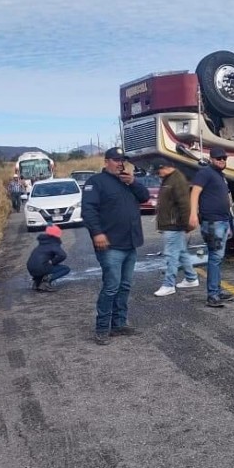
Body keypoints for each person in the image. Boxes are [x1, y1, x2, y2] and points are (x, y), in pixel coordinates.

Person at [82, 147, 151, 345]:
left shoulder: (128, 181)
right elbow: (88, 210)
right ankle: (102, 328)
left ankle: (119, 323)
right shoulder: (96, 182)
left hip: (130, 243)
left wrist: (134, 182)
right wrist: (97, 233)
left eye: (122, 160)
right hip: (110, 245)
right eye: (116, 160)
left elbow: (145, 197)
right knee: (111, 287)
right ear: (106, 162)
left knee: (125, 285)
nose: (120, 163)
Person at [190, 147, 234, 308]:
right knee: (215, 257)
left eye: (224, 158)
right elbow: (195, 192)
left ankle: (217, 290)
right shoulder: (205, 172)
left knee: (218, 257)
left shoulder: (220, 175)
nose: (222, 160)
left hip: (222, 220)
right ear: (211, 159)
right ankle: (212, 294)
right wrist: (193, 214)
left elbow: (225, 197)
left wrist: (229, 220)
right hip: (212, 221)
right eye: (218, 158)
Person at [152, 159, 200, 297]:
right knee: (182, 252)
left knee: (171, 255)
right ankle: (191, 278)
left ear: (165, 167)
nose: (157, 173)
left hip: (174, 225)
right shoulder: (170, 179)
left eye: (158, 170)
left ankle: (169, 285)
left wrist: (187, 224)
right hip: (172, 224)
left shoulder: (177, 180)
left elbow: (184, 204)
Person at [26, 225, 70, 292]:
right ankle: (45, 282)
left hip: (30, 268)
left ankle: (37, 283)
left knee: (43, 266)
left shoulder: (41, 243)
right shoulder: (53, 243)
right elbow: (62, 255)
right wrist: (53, 261)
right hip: (41, 268)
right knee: (65, 269)